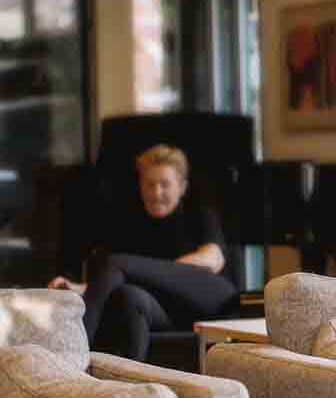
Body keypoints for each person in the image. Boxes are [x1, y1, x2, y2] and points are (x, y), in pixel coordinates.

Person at [49, 144, 237, 361]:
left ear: (182, 187)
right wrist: (83, 288)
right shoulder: (132, 224)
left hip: (211, 300)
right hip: (167, 312)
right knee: (129, 296)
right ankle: (132, 384)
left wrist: (156, 273)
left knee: (116, 263)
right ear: (140, 185)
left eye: (165, 185)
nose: (156, 193)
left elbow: (213, 259)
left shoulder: (199, 214)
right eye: (150, 184)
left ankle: (71, 357)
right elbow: (116, 278)